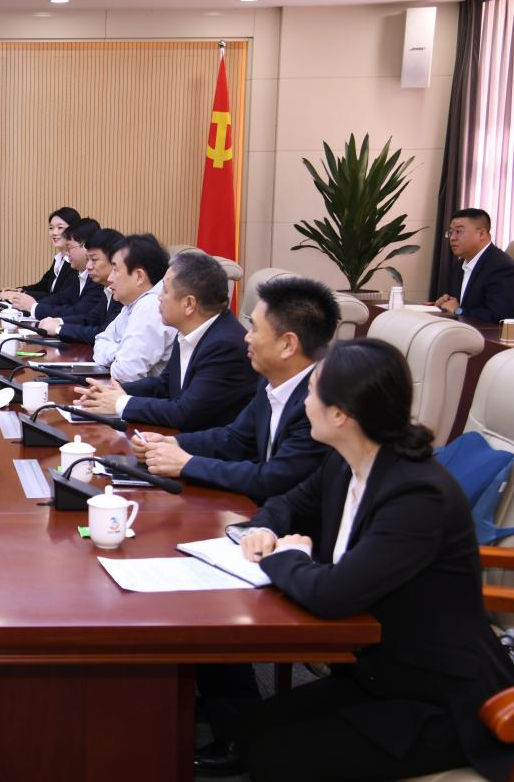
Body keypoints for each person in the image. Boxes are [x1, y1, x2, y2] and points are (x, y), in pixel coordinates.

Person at [234, 338, 514, 782]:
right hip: (379, 669)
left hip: (443, 695)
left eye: (312, 393)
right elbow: (287, 503)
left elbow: (331, 595)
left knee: (275, 756)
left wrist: (287, 557)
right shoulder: (346, 461)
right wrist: (264, 529)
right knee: (250, 728)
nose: (304, 402)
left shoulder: (416, 495)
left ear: (340, 414)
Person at [131, 275, 338, 503]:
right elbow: (235, 439)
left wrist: (186, 464)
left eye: (255, 329)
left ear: (288, 344)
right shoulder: (270, 381)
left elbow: (274, 479)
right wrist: (172, 443)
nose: (246, 337)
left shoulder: (319, 404)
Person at [75, 251, 256, 431]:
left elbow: (186, 413)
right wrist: (115, 392)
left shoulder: (225, 346)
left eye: (165, 290)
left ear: (189, 304)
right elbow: (165, 384)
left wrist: (121, 403)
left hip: (205, 443)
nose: (159, 297)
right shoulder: (190, 328)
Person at [90, 234, 176, 382]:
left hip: (147, 394)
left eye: (115, 270)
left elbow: (125, 373)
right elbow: (100, 340)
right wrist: (120, 352)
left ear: (139, 276)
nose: (110, 278)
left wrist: (119, 354)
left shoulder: (152, 305)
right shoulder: (135, 302)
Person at [1, 220, 105, 323]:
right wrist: (25, 304)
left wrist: (34, 307)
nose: (67, 254)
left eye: (69, 248)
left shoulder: (98, 279)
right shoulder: (80, 274)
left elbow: (79, 312)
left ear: (86, 247)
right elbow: (60, 298)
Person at [37, 228, 126, 344]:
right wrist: (58, 322)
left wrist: (59, 329)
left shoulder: (123, 293)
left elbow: (103, 334)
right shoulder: (108, 289)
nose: (88, 266)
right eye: (88, 260)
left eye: (94, 260)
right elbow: (90, 319)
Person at [432, 207, 514, 324]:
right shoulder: (460, 265)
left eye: (459, 232)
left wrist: (458, 310)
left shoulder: (502, 267)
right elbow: (457, 304)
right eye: (450, 232)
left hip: (487, 335)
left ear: (481, 234)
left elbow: (499, 316)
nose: (452, 238)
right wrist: (445, 302)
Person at [5, 207, 83, 302]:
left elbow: (60, 297)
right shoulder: (59, 259)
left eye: (60, 228)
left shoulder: (76, 263)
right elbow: (42, 286)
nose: (54, 233)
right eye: (51, 228)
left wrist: (19, 295)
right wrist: (20, 290)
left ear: (74, 230)